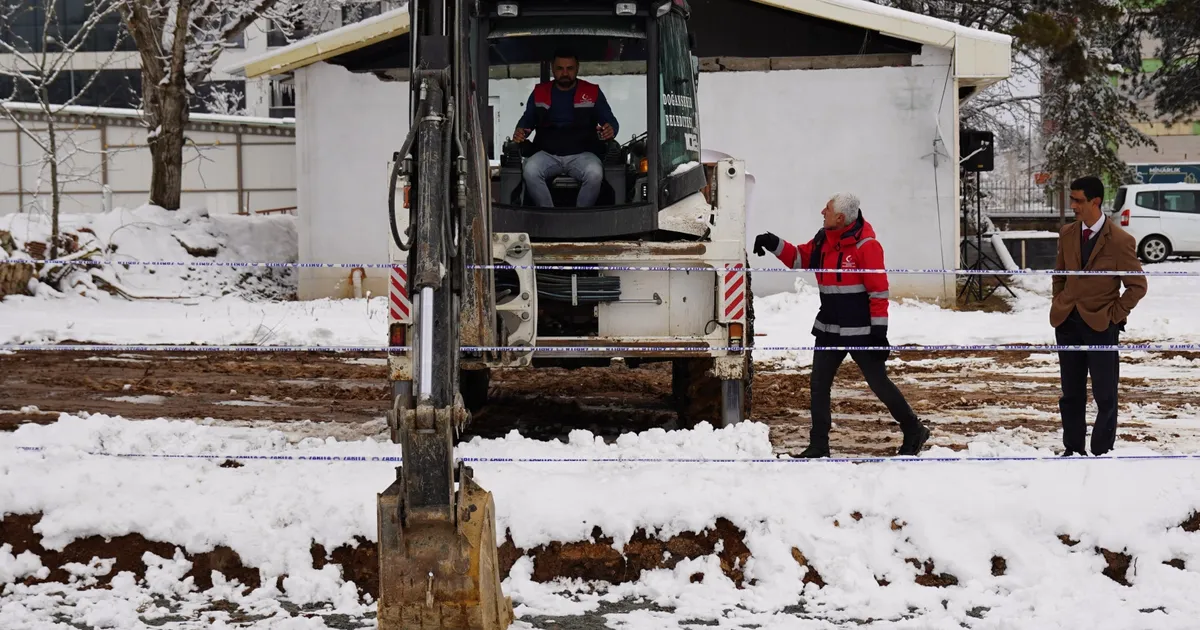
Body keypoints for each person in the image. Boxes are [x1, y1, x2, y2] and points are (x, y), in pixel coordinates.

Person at [753, 194, 930, 458]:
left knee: (878, 383)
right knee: (818, 385)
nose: (821, 211)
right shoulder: (823, 240)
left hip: (861, 332)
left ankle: (914, 429)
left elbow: (879, 293)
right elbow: (799, 258)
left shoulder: (867, 246)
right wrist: (773, 243)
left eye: (827, 209)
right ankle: (818, 445)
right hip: (829, 328)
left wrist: (879, 334)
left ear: (841, 217)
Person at [1051, 176, 1147, 457]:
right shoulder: (1067, 233)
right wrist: (1059, 301)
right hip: (1067, 322)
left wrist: (1113, 316)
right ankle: (1073, 448)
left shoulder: (1119, 241)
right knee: (1071, 394)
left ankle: (1102, 451)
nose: (1073, 206)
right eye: (1071, 199)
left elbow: (1137, 285)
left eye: (1078, 200)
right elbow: (1059, 275)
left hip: (1101, 325)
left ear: (1095, 202)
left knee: (1105, 394)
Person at [513, 49, 619, 208]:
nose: (564, 73)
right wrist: (520, 130)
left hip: (583, 154)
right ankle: (549, 216)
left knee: (595, 174)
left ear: (577, 68)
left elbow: (611, 121)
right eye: (560, 68)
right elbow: (527, 120)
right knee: (530, 171)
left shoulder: (592, 92)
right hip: (547, 153)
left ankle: (580, 219)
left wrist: (611, 128)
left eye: (569, 68)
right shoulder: (539, 92)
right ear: (552, 68)